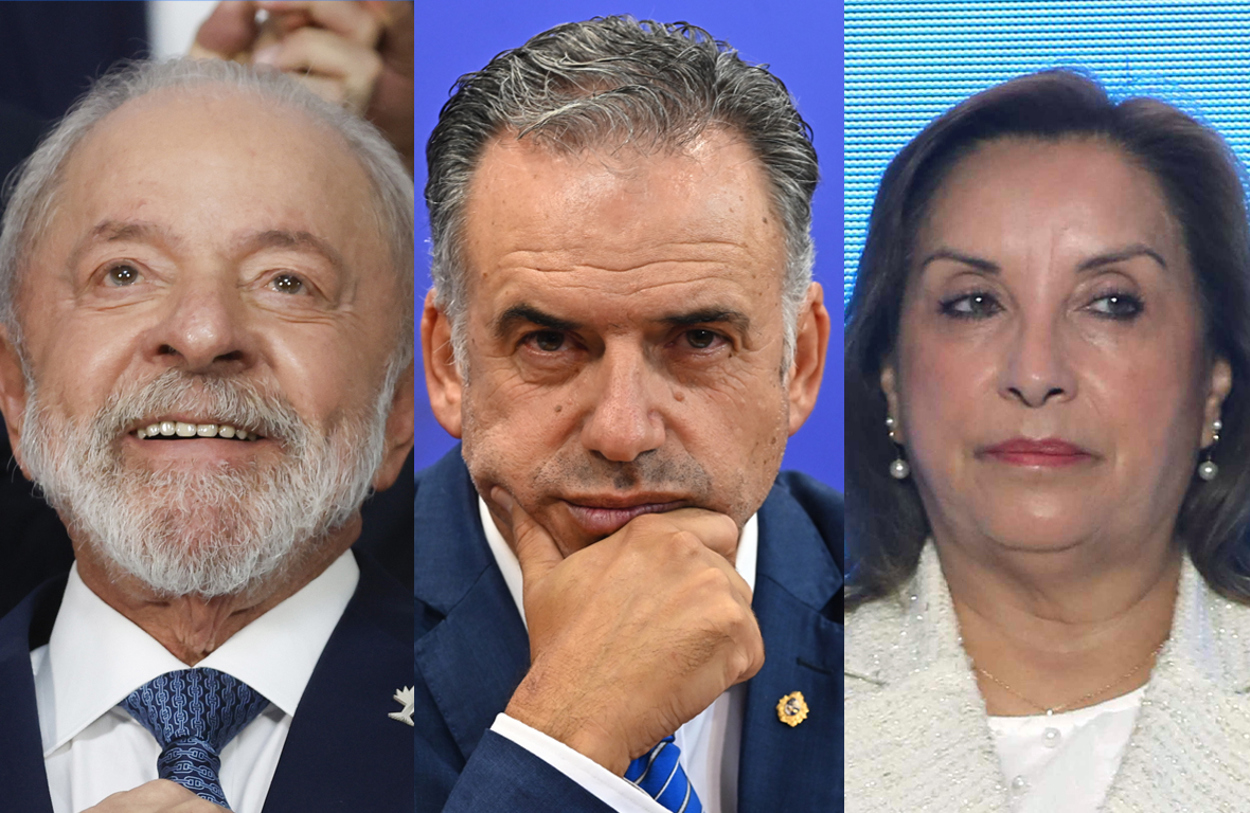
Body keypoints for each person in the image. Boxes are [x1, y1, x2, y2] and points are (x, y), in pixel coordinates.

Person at [415, 16, 843, 813]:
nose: (621, 431)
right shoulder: (335, 614)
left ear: (802, 362)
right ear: (448, 364)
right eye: (549, 341)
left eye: (698, 339)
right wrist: (565, 734)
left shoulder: (902, 610)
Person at [0, 58, 415, 812]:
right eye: (124, 273)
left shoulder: (523, 729)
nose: (201, 332)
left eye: (286, 280)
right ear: (17, 389)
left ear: (400, 408)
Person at [843, 69, 1250, 811]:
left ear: (1213, 382)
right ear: (891, 379)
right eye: (974, 302)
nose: (1036, 372)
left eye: (1112, 303)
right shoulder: (767, 699)